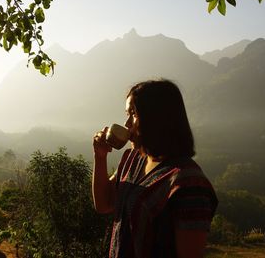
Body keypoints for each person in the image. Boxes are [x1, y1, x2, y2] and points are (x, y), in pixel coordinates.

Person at [92, 79, 218, 258]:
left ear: (157, 118)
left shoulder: (189, 184)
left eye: (133, 114)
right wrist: (100, 156)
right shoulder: (133, 159)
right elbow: (104, 204)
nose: (127, 124)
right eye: (127, 114)